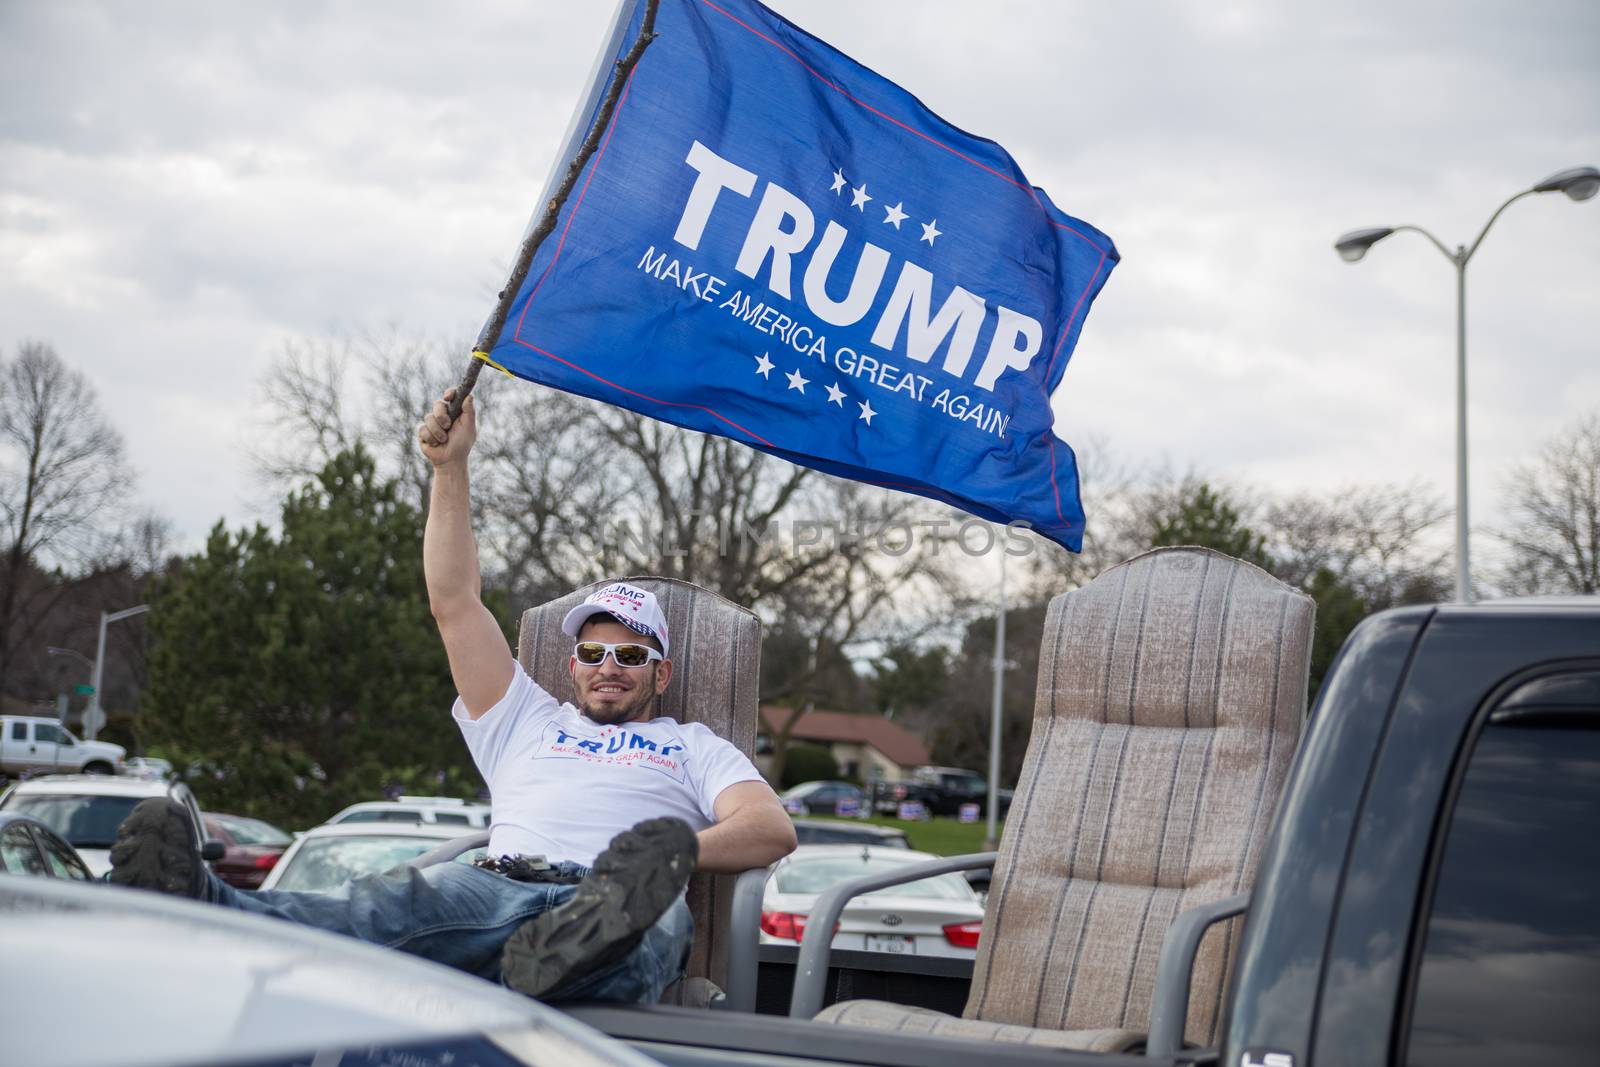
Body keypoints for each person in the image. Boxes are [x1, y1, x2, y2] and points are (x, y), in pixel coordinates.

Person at [109, 387, 797, 1004]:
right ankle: (197, 902)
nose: (608, 665)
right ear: (573, 663)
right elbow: (455, 603)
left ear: (661, 673)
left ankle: (575, 948)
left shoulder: (692, 745)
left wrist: (671, 851)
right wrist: (450, 468)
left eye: (630, 654)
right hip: (497, 886)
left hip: (621, 898)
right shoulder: (525, 717)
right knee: (378, 910)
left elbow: (771, 828)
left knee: (646, 925)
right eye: (592, 652)